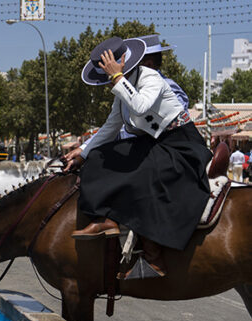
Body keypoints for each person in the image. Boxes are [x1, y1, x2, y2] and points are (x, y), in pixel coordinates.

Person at [64, 37, 211, 279]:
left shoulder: (150, 77)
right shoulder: (121, 86)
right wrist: (84, 151)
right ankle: (107, 220)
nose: (107, 78)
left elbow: (141, 106)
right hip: (156, 143)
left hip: (181, 144)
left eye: (108, 70)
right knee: (100, 158)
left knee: (141, 173)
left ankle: (153, 257)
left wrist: (116, 77)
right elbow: (111, 126)